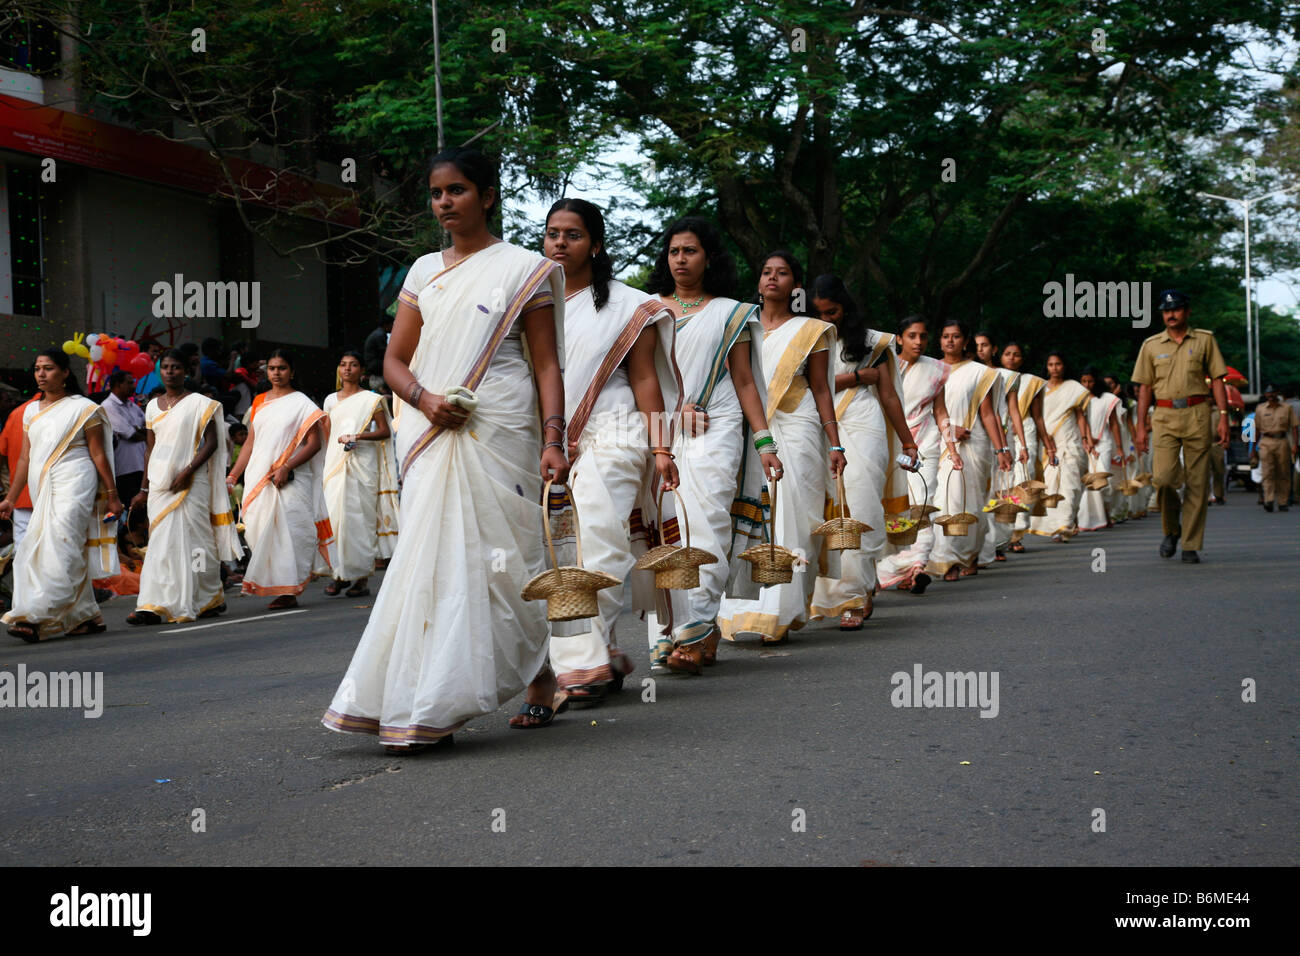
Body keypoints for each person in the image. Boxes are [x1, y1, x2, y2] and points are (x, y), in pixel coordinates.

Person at [323, 146, 568, 750]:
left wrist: (556, 438)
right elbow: (395, 360)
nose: (443, 203)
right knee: (435, 563)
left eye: (457, 190)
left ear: (486, 196)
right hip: (432, 431)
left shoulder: (523, 269)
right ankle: (432, 697)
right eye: (436, 194)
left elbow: (545, 366)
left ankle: (538, 675)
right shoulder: (422, 272)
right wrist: (425, 401)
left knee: (507, 563)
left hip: (503, 429)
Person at [542, 198, 680, 705]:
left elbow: (646, 378)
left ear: (595, 244)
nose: (560, 243)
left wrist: (662, 446)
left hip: (616, 431)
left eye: (573, 235)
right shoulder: (530, 298)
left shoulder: (625, 305)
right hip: (553, 439)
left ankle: (582, 663)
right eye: (553, 233)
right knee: (560, 547)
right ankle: (605, 650)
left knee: (599, 539)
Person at [640, 218, 781, 672]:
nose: (681, 259)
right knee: (666, 527)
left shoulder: (730, 312)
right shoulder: (648, 310)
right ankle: (677, 631)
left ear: (709, 258)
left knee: (707, 523)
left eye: (691, 251)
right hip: (663, 430)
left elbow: (743, 380)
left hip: (716, 425)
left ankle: (695, 627)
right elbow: (639, 378)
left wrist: (763, 442)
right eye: (675, 251)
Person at [716, 251, 844, 646]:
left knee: (795, 516)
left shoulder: (811, 330)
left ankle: (783, 611)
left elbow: (822, 388)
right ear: (758, 282)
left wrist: (835, 442)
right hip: (751, 430)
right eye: (766, 272)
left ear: (796, 286)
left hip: (799, 426)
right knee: (749, 513)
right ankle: (740, 610)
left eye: (783, 273)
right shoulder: (738, 324)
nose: (773, 278)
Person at [806, 274, 915, 628]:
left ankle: (858, 592)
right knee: (828, 509)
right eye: (819, 313)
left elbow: (888, 395)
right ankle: (832, 595)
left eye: (833, 311)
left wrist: (908, 440)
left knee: (862, 502)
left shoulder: (873, 342)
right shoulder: (803, 338)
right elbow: (805, 387)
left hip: (864, 420)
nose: (827, 320)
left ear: (846, 307)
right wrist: (854, 377)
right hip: (819, 423)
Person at [1, 348, 121, 641]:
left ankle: (37, 614)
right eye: (38, 368)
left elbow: (98, 454)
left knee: (60, 542)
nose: (41, 374)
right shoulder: (30, 410)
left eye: (49, 368)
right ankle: (85, 615)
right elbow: (25, 459)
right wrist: (10, 497)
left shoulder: (83, 408)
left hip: (77, 478)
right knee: (46, 545)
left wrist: (113, 495)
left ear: (66, 373)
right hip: (43, 483)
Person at [126, 350, 241, 624]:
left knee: (196, 543)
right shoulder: (152, 406)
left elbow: (212, 443)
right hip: (161, 484)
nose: (169, 372)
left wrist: (188, 471)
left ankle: (207, 596)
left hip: (193, 481)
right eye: (165, 367)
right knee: (161, 544)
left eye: (175, 367)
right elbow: (149, 450)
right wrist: (143, 489)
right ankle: (153, 603)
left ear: (186, 371)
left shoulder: (201, 403)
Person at [226, 349, 334, 608]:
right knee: (258, 529)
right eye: (272, 368)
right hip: (259, 477)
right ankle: (277, 583)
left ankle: (288, 590)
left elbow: (314, 444)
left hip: (290, 479)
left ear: (292, 372)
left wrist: (286, 466)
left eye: (282, 368)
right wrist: (232, 476)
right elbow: (251, 443)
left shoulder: (302, 404)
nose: (276, 373)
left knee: (290, 531)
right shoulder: (260, 401)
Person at [1131, 290, 1230, 563]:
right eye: (1166, 310)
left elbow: (1219, 380)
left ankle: (1190, 544)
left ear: (1186, 311)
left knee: (1197, 482)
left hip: (1198, 413)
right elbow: (1144, 388)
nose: (1170, 315)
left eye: (1175, 310)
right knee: (1163, 479)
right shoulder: (1151, 345)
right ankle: (1171, 530)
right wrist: (1140, 427)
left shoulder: (1204, 341)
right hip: (1163, 416)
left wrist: (1223, 417)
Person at [926, 320, 1012, 581]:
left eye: (956, 336)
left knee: (971, 503)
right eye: (945, 336)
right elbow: (920, 409)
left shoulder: (979, 372)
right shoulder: (929, 369)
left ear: (966, 341)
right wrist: (950, 428)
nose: (950, 341)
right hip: (938, 443)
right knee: (943, 502)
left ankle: (970, 554)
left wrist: (1002, 449)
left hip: (974, 445)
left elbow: (988, 414)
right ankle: (948, 560)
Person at [876, 316, 953, 594]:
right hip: (889, 444)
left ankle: (915, 564)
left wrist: (952, 448)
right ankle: (900, 568)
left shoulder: (936, 370)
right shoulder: (883, 365)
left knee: (922, 506)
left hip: (925, 446)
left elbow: (941, 411)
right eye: (912, 336)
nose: (918, 342)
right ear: (899, 338)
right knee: (892, 507)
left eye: (922, 336)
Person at [321, 351, 399, 599]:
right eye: (343, 364)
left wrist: (358, 437)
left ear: (361, 371)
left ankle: (361, 578)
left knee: (359, 519)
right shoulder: (331, 400)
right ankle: (338, 573)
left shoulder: (372, 400)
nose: (347, 369)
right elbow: (327, 434)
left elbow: (385, 432)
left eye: (353, 365)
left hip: (362, 463)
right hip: (334, 462)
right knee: (334, 516)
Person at [975, 332, 1028, 565]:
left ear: (993, 349)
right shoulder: (967, 373)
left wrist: (1022, 444)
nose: (980, 350)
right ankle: (978, 547)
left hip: (1002, 438)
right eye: (976, 346)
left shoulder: (1006, 376)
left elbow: (1013, 410)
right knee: (979, 493)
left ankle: (998, 543)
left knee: (1001, 491)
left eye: (985, 345)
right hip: (974, 437)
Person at [1028, 352, 1091, 543]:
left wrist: (1086, 438)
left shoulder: (1074, 388)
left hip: (1069, 440)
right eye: (1050, 364)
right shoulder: (1038, 388)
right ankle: (1056, 525)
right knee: (1051, 483)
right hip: (1046, 441)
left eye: (1058, 364)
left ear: (1064, 366)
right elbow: (1035, 416)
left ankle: (1065, 524)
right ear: (1046, 367)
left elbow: (1081, 416)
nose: (1054, 368)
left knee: (1070, 484)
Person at [1000, 342, 1055, 552]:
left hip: (1026, 429)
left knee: (1023, 480)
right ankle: (1000, 533)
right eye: (1008, 354)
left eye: (1016, 355)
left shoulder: (1032, 382)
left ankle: (1016, 533)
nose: (1012, 358)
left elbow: (1038, 417)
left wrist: (1049, 447)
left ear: (1022, 359)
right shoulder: (994, 376)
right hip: (1001, 430)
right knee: (1002, 481)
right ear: (1001, 356)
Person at [1076, 366, 1125, 533]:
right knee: (1086, 482)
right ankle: (1087, 519)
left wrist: (1119, 448)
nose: (1087, 384)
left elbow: (1114, 424)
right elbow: (1078, 421)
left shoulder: (1106, 399)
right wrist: (1088, 440)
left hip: (1104, 443)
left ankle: (1104, 512)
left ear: (1096, 381)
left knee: (1103, 481)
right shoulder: (1077, 398)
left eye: (1090, 381)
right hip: (1083, 443)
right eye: (1083, 381)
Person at [102, 370, 147, 505]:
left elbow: (150, 430)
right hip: (125, 469)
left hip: (142, 466)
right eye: (129, 383)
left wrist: (140, 431)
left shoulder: (133, 406)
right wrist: (141, 432)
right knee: (130, 510)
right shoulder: (108, 406)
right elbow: (131, 435)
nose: (134, 386)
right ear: (117, 385)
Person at [0, 390, 39, 546]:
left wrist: (10, 497)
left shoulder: (17, 414)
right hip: (55, 497)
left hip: (22, 496)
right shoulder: (69, 410)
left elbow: (2, 452)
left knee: (23, 550)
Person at [1254, 383, 1298, 512]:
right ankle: (1269, 499)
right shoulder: (1260, 409)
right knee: (1267, 472)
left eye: (1273, 392)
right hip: (1266, 441)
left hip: (1282, 441)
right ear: (1265, 394)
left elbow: (1294, 427)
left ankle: (1283, 501)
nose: (1271, 395)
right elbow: (1256, 429)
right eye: (1268, 393)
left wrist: (1295, 444)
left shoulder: (1286, 408)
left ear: (1277, 393)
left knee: (1283, 472)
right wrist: (1252, 448)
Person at [363, 314, 395, 392]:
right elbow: (385, 353)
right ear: (386, 325)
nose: (393, 327)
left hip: (374, 362)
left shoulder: (379, 333)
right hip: (374, 364)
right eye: (392, 324)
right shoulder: (379, 335)